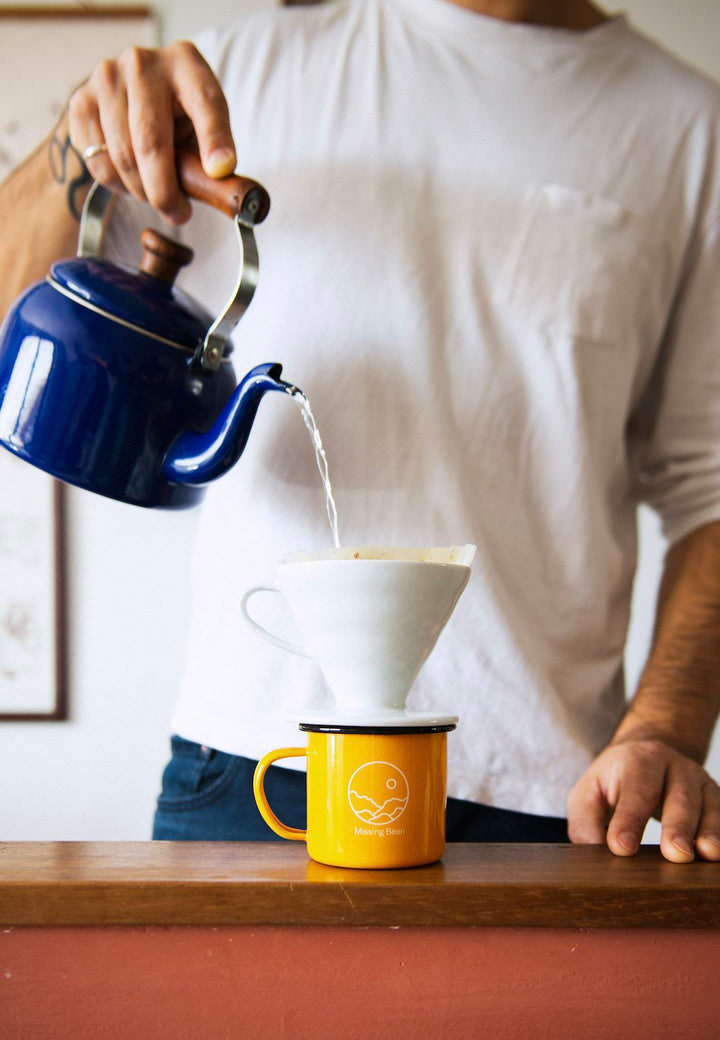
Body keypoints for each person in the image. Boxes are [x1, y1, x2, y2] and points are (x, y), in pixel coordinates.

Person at [1, 0, 719, 862]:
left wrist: (669, 730)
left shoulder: (689, 128)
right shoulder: (240, 74)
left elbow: (709, 485)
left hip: (554, 793)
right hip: (256, 767)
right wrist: (71, 152)